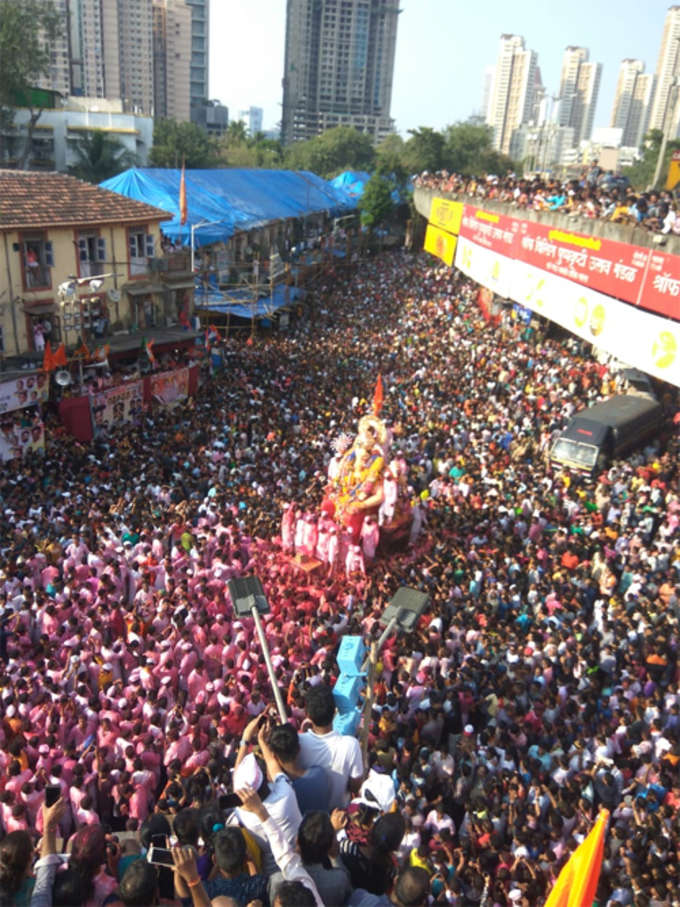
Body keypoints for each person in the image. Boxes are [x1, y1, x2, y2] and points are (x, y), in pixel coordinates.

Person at [297, 685, 364, 810]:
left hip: (309, 813)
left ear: (307, 715)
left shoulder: (299, 742)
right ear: (334, 712)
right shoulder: (351, 745)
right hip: (339, 811)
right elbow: (355, 786)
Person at [264, 722, 332, 814]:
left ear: (275, 757)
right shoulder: (320, 774)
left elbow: (272, 776)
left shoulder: (281, 791)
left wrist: (262, 742)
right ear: (299, 748)